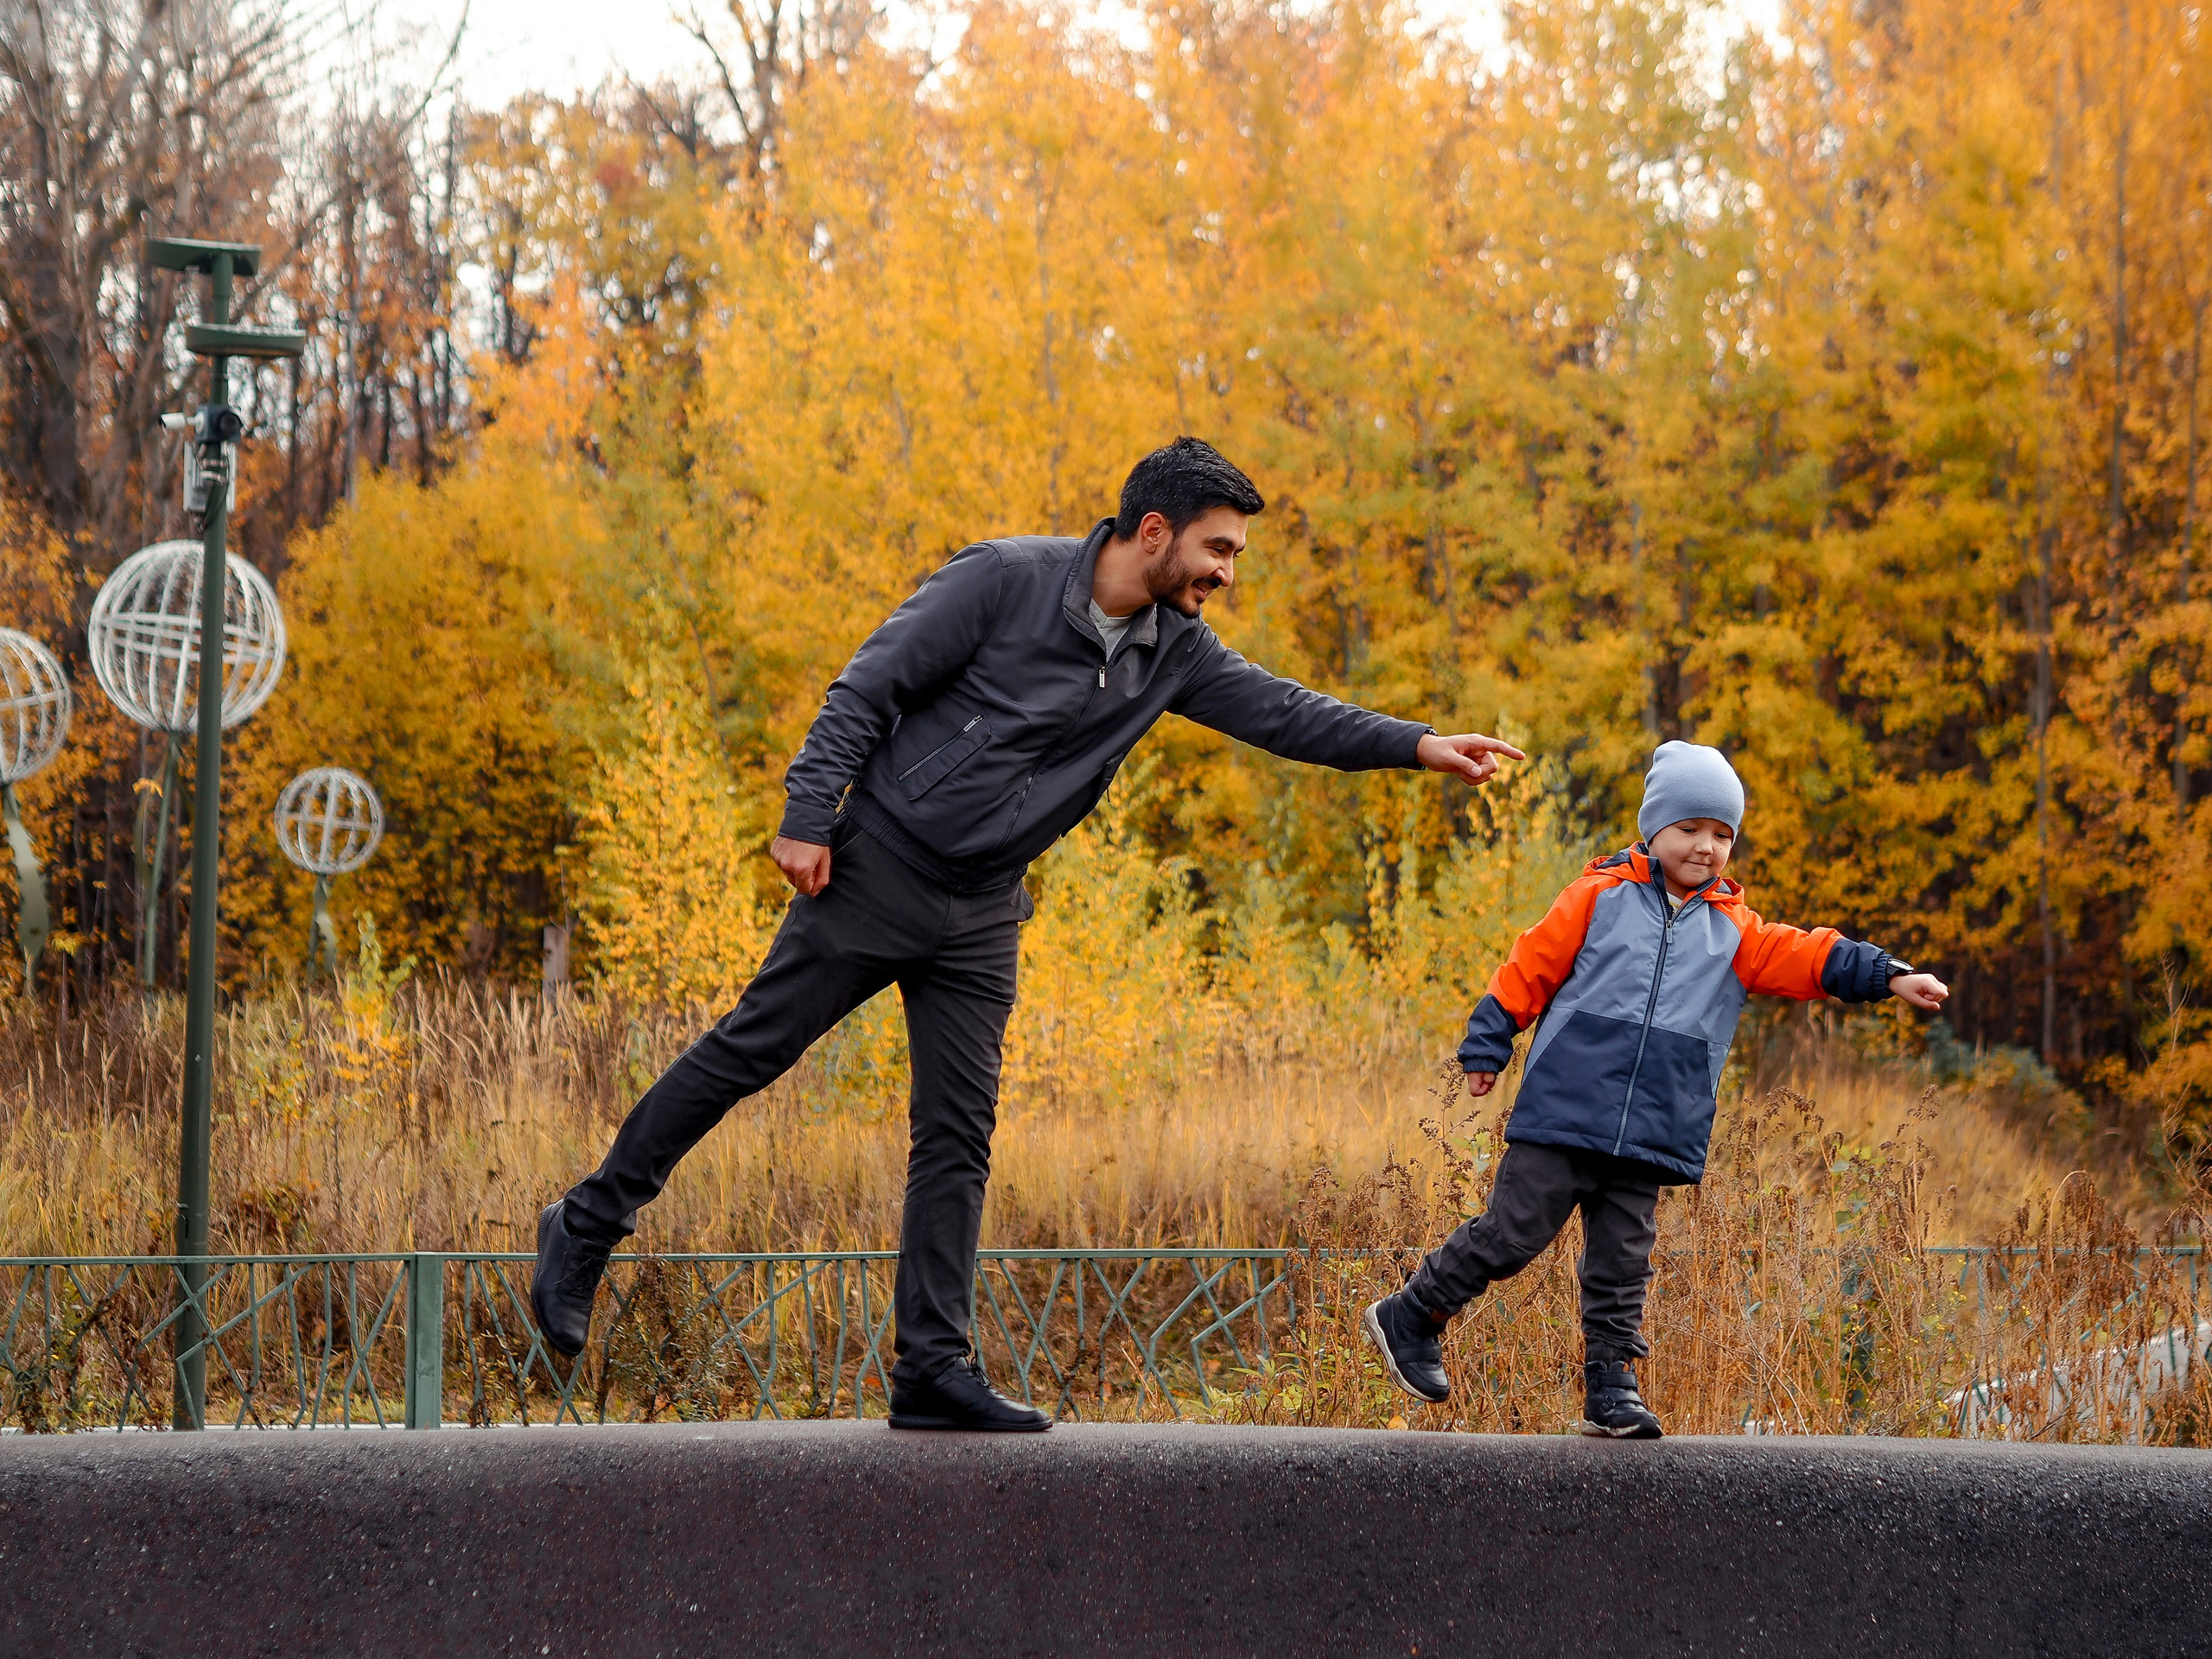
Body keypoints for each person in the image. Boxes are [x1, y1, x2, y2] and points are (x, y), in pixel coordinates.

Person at [531, 436, 1527, 1431]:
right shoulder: (1002, 580)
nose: (1227, 573)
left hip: (982, 908)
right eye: (1218, 550)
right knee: (747, 1054)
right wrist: (805, 810)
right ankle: (588, 1222)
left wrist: (1417, 746)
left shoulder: (1173, 650)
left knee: (958, 1134)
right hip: (880, 866)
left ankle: (930, 1367)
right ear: (1153, 532)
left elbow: (1282, 712)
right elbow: (864, 685)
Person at [1362, 740, 1949, 1438]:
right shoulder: (1600, 896)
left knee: (1622, 1268)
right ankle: (1414, 1312)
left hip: (1651, 1128)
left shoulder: (1736, 932)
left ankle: (1611, 1390)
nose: (1706, 847)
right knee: (1513, 1234)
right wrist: (1488, 1042)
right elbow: (1531, 965)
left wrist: (1888, 974)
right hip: (1563, 1113)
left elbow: (1813, 954)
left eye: (1722, 835)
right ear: (1655, 829)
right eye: (1690, 829)